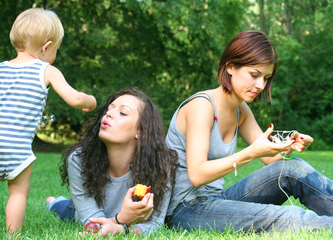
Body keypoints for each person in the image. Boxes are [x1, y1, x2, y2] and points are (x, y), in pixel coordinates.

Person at [165, 30, 333, 233]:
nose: (261, 85)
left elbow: (274, 162)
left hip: (217, 199)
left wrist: (289, 147)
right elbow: (197, 175)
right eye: (254, 75)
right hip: (185, 209)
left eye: (266, 77)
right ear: (230, 67)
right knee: (287, 217)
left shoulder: (240, 110)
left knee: (295, 169)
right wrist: (251, 152)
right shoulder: (202, 107)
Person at [0, 8, 97, 233]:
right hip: (14, 146)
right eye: (56, 49)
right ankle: (14, 236)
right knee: (18, 193)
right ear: (47, 46)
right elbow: (75, 98)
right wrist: (91, 100)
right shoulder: (46, 70)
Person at [46, 87, 178, 237]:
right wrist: (122, 219)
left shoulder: (160, 166)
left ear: (140, 131)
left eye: (122, 113)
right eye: (109, 109)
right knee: (64, 209)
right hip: (81, 209)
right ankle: (53, 203)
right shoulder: (79, 160)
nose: (108, 114)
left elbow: (155, 223)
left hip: (104, 211)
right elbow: (93, 223)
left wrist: (122, 229)